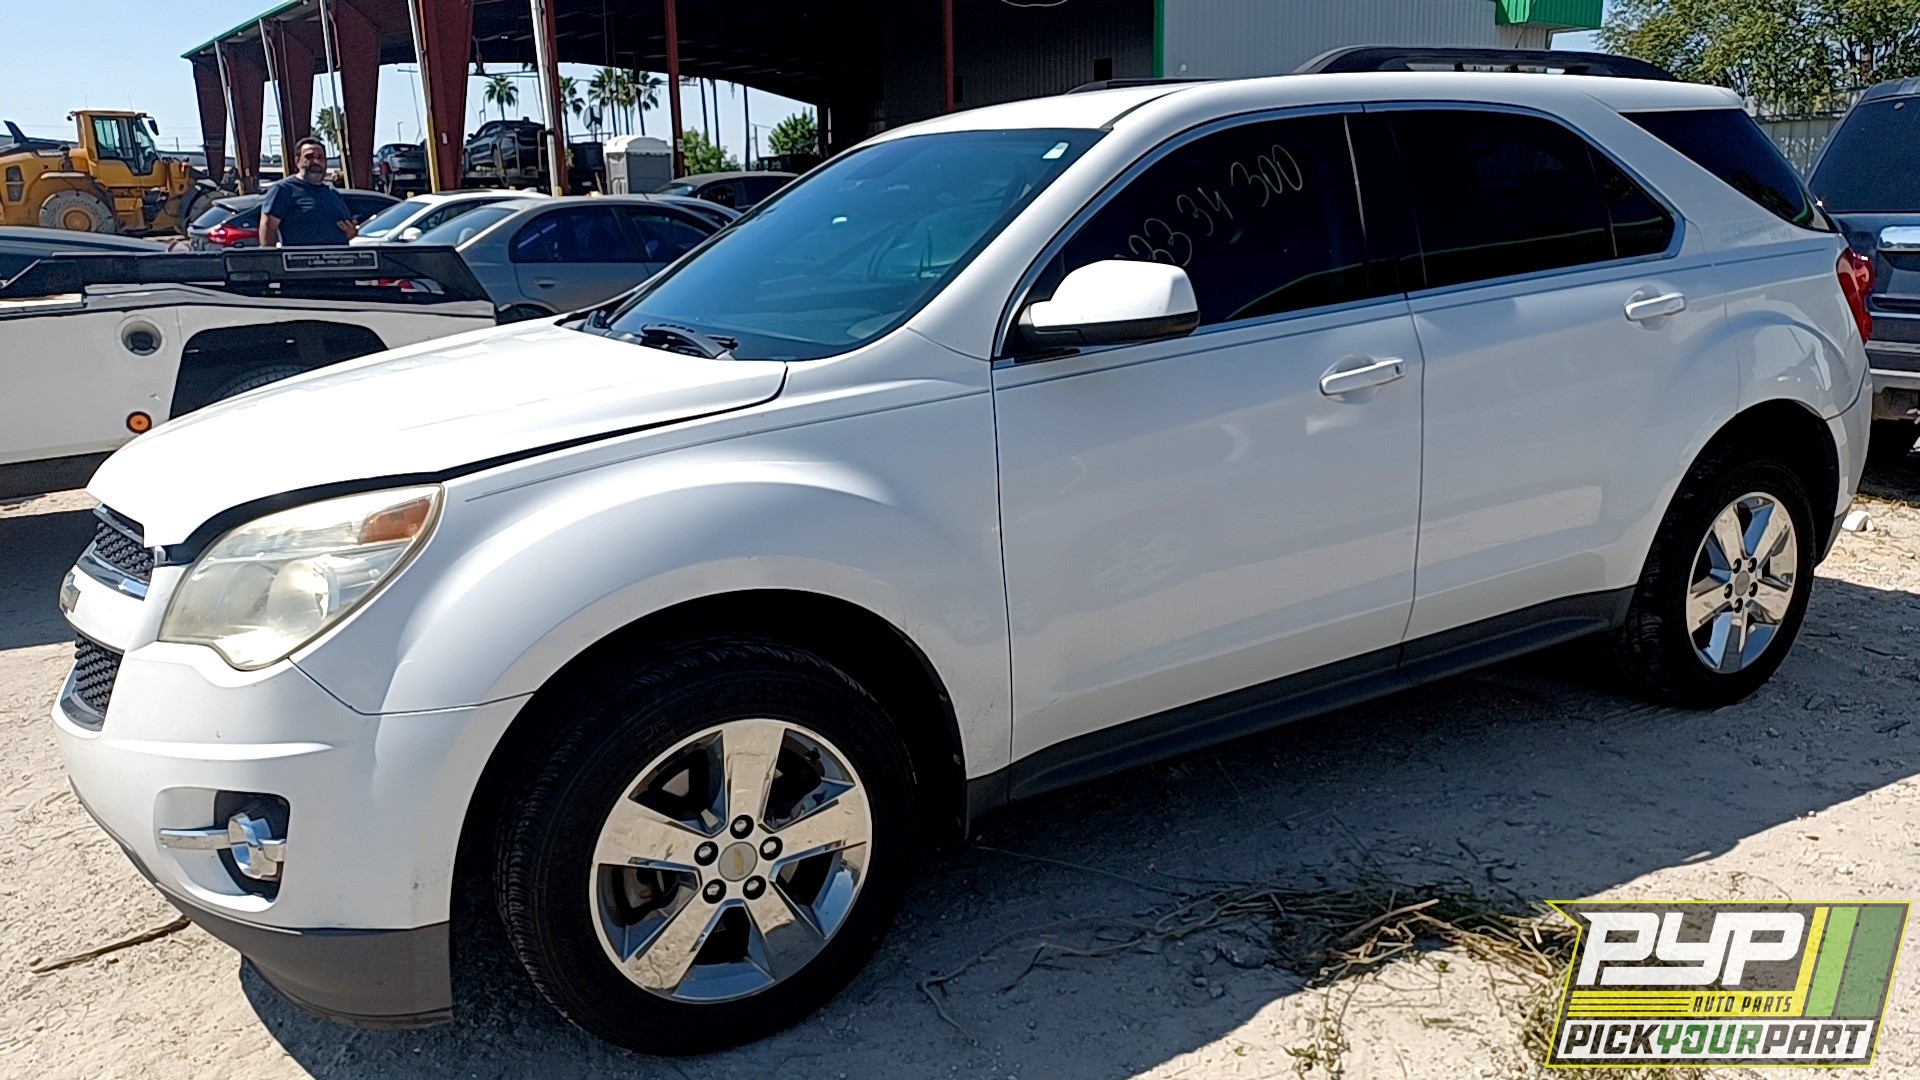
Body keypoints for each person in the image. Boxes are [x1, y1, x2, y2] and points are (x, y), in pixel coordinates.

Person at [259, 138, 357, 247]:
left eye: (320, 157)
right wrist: (272, 260)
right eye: (309, 157)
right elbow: (268, 227)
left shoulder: (333, 193)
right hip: (301, 261)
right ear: (297, 161)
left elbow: (349, 231)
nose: (316, 162)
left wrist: (351, 232)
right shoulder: (283, 190)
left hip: (338, 261)